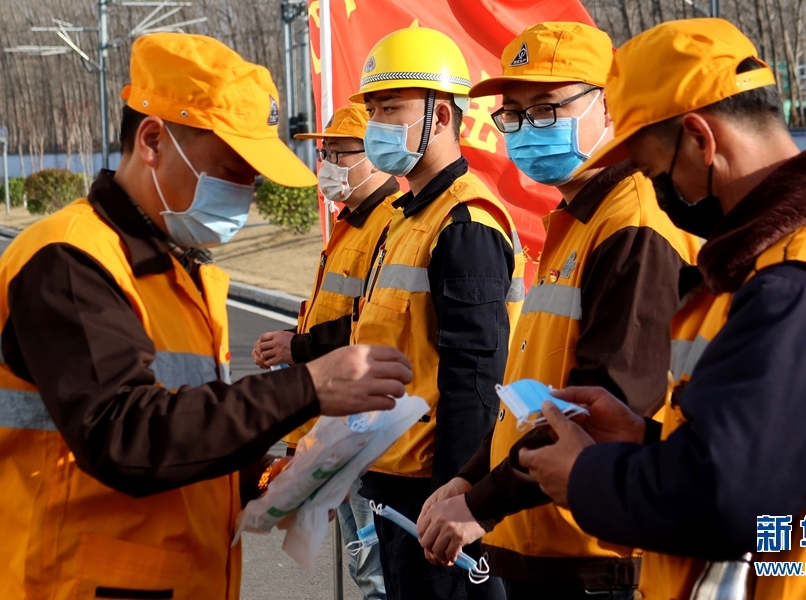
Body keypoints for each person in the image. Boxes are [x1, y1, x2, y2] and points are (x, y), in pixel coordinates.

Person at [0, 33, 412, 600]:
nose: (244, 193)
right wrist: (307, 388)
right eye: (231, 171)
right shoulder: (72, 260)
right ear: (152, 140)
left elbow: (185, 429)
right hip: (75, 582)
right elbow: (126, 434)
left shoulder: (178, 268)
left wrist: (268, 479)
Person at [516, 18, 806, 599]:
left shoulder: (795, 283)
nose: (659, 197)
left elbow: (730, 499)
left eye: (652, 173)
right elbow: (778, 452)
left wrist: (585, 478)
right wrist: (644, 442)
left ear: (701, 139)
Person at [416, 22, 699, 600]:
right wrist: (468, 476)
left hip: (598, 559)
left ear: (612, 106)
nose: (525, 130)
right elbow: (535, 391)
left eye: (546, 108)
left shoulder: (633, 227)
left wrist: (481, 502)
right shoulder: (575, 221)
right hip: (544, 546)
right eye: (513, 114)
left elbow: (601, 407)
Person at [348, 26, 525, 600]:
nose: (377, 123)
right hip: (395, 477)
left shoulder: (464, 222)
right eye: (373, 108)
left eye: (391, 107)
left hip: (432, 488)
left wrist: (457, 498)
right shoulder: (406, 218)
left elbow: (474, 376)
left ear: (442, 117)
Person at [252, 102, 399, 600]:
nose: (328, 164)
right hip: (338, 416)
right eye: (325, 152)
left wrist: (300, 347)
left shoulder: (389, 224)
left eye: (341, 153)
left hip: (368, 422)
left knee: (375, 563)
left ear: (376, 156)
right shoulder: (350, 223)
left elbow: (373, 324)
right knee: (365, 559)